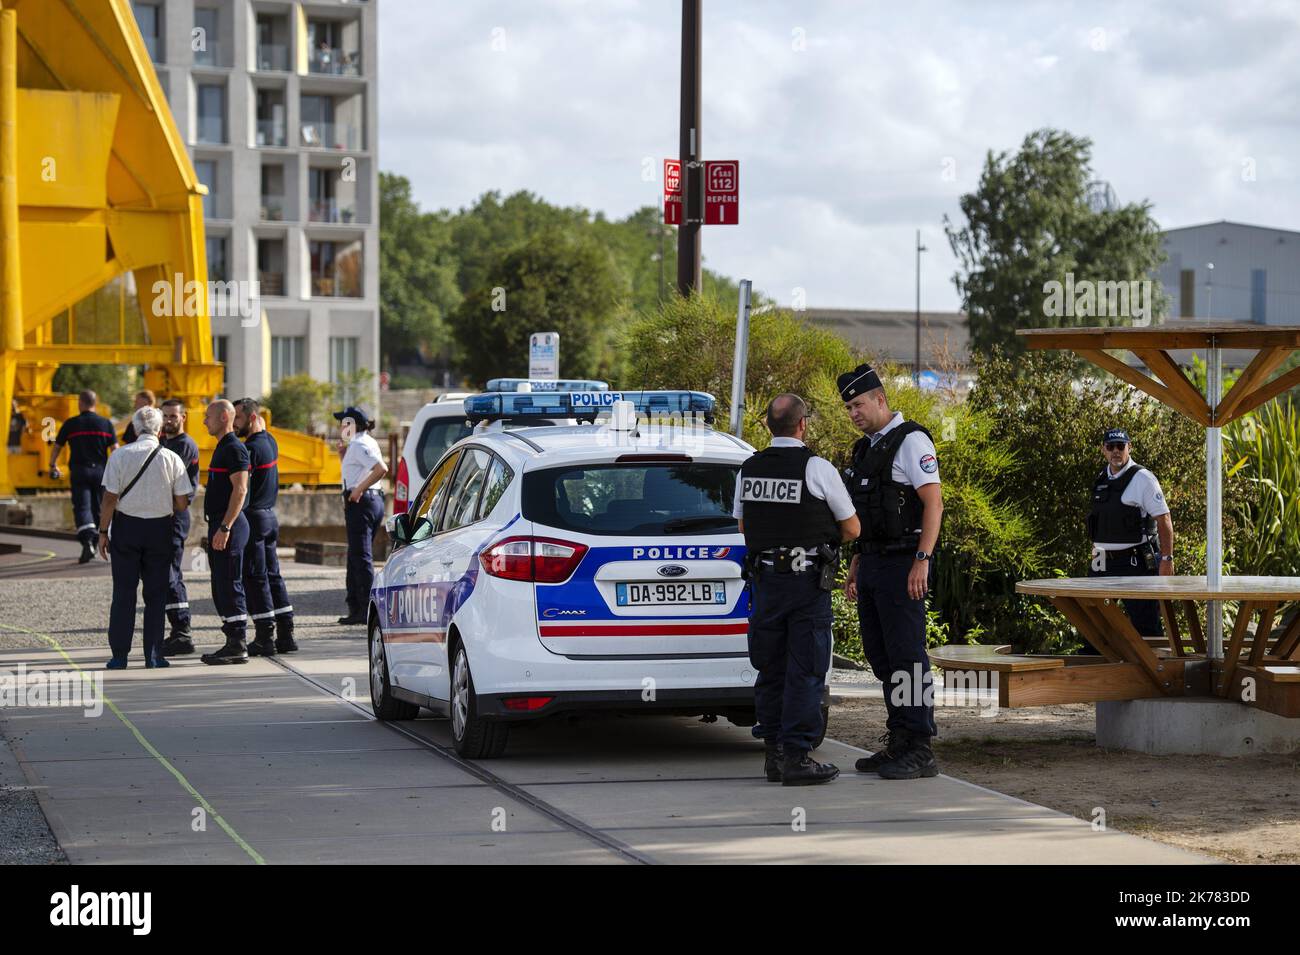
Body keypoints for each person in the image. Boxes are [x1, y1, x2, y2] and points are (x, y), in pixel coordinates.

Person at [734, 394, 860, 786]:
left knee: (771, 667)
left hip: (765, 583)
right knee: (806, 668)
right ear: (803, 424)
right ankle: (798, 757)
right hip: (806, 583)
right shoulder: (817, 469)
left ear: (769, 427)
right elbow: (853, 528)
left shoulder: (748, 469)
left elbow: (743, 527)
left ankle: (774, 754)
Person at [839, 363, 944, 780]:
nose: (854, 413)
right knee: (881, 656)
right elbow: (866, 517)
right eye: (848, 407)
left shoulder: (910, 441)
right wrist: (856, 565)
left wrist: (922, 559)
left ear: (880, 399)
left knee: (907, 656)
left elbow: (933, 504)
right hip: (873, 564)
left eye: (859, 404)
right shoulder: (865, 449)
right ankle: (899, 738)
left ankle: (919, 746)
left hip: (905, 564)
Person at [96, 407, 193, 669]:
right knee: (156, 595)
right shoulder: (172, 458)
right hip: (160, 530)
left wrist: (103, 532)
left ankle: (119, 656)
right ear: (160, 430)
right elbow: (183, 503)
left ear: (136, 429)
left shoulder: (119, 456)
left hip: (126, 528)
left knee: (124, 594)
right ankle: (153, 655)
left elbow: (109, 499)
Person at [1084, 427, 1174, 651]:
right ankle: (1095, 673)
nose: (1116, 451)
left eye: (1120, 446)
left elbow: (1164, 520)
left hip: (1136, 562)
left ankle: (1159, 677)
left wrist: (1167, 559)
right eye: (1110, 446)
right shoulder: (1101, 478)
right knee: (1095, 621)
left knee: (1146, 625)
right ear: (1103, 450)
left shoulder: (1142, 478)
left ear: (1129, 447)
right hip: (1102, 560)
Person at [234, 398, 296, 655]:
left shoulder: (250, 449)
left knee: (255, 577)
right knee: (273, 575)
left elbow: (242, 489)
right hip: (270, 516)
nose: (234, 424)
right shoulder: (270, 441)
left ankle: (264, 636)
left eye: (237, 418)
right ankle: (286, 632)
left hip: (255, 518)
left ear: (250, 418)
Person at [200, 400, 252, 665]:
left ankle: (237, 643)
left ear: (223, 417)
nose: (204, 421)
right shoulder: (223, 447)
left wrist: (225, 526)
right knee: (220, 584)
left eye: (207, 416)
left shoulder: (234, 448)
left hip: (228, 525)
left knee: (230, 583)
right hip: (220, 523)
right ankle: (231, 640)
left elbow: (240, 490)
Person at [50, 391, 117, 564]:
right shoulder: (106, 424)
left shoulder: (71, 424)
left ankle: (87, 540)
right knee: (98, 506)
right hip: (101, 472)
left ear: (80, 403)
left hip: (80, 471)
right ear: (96, 403)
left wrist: (53, 464)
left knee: (82, 506)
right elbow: (115, 450)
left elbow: (57, 446)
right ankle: (98, 539)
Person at [336, 405, 387, 626]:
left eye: (343, 422)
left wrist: (358, 490)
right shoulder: (366, 442)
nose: (340, 426)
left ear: (352, 425)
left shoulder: (358, 444)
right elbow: (358, 472)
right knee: (356, 554)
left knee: (361, 555)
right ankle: (356, 606)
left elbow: (380, 469)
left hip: (362, 501)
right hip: (372, 500)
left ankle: (365, 607)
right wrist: (342, 457)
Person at [159, 399, 201, 656]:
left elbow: (168, 479)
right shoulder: (164, 443)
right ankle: (177, 630)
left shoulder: (184, 445)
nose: (169, 420)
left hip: (176, 516)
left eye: (173, 416)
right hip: (164, 515)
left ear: (183, 417)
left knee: (170, 572)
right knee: (166, 573)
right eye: (165, 416)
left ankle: (182, 631)